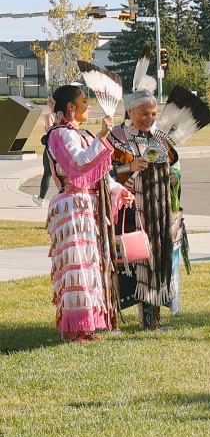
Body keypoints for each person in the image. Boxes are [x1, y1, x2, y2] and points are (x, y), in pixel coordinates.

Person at [45, 85, 130, 342]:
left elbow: (100, 174)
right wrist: (102, 137)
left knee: (91, 267)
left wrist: (117, 189)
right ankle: (73, 329)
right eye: (84, 101)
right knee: (76, 267)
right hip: (72, 207)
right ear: (71, 107)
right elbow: (79, 166)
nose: (88, 106)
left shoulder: (81, 134)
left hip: (88, 208)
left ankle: (87, 326)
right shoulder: (59, 135)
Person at [109, 75, 183, 330]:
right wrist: (129, 166)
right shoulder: (117, 137)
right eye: (143, 113)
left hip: (158, 211)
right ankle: (113, 319)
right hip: (129, 211)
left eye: (153, 113)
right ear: (130, 112)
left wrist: (173, 180)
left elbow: (176, 166)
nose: (149, 118)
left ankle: (152, 320)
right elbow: (103, 173)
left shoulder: (161, 138)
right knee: (130, 262)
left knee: (155, 261)